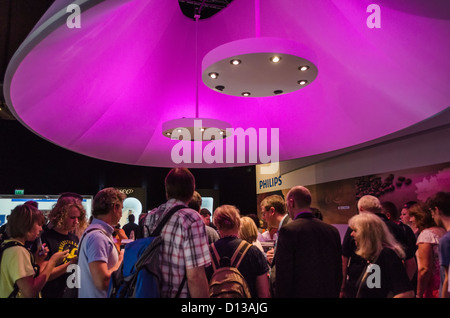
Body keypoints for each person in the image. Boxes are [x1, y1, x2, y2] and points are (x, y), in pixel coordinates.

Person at [142, 168, 210, 298]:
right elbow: (195, 277)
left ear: (167, 191)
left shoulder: (151, 216)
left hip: (149, 292)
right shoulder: (191, 219)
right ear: (192, 191)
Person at [341, 195, 416, 298]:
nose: (351, 234)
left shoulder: (387, 255)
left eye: (355, 230)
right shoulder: (372, 256)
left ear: (366, 233)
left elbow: (406, 293)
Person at [274, 186, 342, 298]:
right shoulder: (332, 231)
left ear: (291, 202)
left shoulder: (288, 231)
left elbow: (283, 276)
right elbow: (338, 272)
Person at [0, 202, 68, 298]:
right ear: (26, 225)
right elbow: (30, 292)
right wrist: (52, 262)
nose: (41, 229)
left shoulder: (7, 245)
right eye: (39, 224)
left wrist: (37, 261)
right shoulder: (18, 251)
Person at [206, 205, 270, 298]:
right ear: (238, 223)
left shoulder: (207, 252)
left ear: (217, 224)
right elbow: (263, 293)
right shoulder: (253, 251)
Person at [78, 187, 125, 298]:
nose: (122, 214)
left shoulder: (92, 233)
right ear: (114, 207)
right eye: (121, 209)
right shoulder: (97, 237)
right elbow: (102, 283)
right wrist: (121, 261)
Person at [40, 196, 87, 298]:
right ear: (60, 216)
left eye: (78, 218)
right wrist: (70, 264)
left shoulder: (74, 237)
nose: (76, 221)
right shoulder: (45, 238)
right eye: (72, 217)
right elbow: (44, 276)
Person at [408, 201, 446, 298]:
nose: (410, 219)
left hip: (433, 286)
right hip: (444, 282)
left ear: (421, 216)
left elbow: (424, 269)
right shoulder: (442, 230)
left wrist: (419, 294)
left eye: (413, 216)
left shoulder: (426, 235)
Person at [427, 191, 450, 298]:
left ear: (437, 210)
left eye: (432, 213)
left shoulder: (446, 240)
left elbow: (447, 278)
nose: (432, 217)